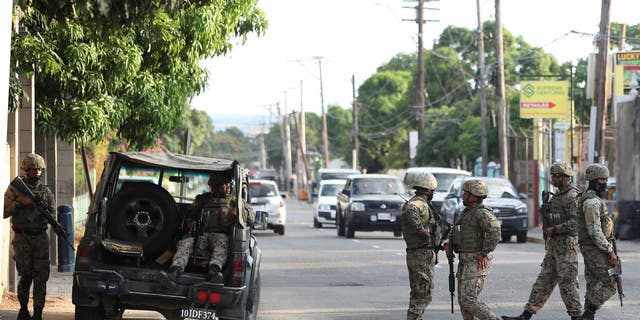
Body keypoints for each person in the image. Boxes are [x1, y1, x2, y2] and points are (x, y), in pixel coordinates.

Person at [502, 161, 582, 320]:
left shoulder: (572, 197)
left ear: (565, 178)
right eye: (552, 175)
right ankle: (526, 315)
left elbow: (576, 223)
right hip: (554, 247)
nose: (552, 178)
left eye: (555, 175)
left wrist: (556, 229)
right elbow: (554, 218)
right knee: (543, 282)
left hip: (566, 248)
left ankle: (577, 316)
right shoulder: (557, 196)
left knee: (568, 285)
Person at [160, 173, 238, 287]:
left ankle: (213, 272)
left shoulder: (235, 201)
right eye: (224, 185)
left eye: (229, 185)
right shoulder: (202, 199)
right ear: (214, 186)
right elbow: (188, 215)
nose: (228, 188)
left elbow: (250, 216)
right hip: (202, 235)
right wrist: (191, 220)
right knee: (185, 243)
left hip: (221, 235)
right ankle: (174, 274)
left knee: (222, 243)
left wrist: (239, 212)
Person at [3, 153, 55, 320]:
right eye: (33, 170)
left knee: (41, 277)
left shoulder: (45, 191)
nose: (37, 173)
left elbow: (52, 214)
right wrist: (19, 203)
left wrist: (45, 208)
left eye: (39, 169)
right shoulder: (15, 189)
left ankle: (38, 312)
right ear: (26, 170)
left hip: (40, 238)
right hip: (22, 238)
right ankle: (24, 309)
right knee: (25, 275)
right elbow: (4, 212)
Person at [445, 179, 501, 320]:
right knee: (463, 302)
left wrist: (484, 253)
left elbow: (495, 232)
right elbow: (456, 231)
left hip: (475, 262)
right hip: (465, 261)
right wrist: (449, 244)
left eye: (466, 194)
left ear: (475, 196)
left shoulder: (482, 213)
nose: (463, 196)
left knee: (469, 300)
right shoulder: (467, 213)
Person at [576, 164, 618, 320]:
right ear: (593, 180)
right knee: (611, 281)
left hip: (592, 248)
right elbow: (594, 231)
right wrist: (609, 251)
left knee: (593, 284)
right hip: (595, 249)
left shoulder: (593, 199)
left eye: (605, 179)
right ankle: (589, 313)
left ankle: (588, 316)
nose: (604, 182)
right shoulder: (591, 202)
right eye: (601, 179)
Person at [401, 172, 440, 320]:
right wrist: (420, 230)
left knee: (419, 291)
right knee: (423, 293)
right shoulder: (417, 204)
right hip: (420, 254)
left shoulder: (422, 203)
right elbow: (410, 210)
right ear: (428, 190)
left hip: (421, 253)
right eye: (432, 191)